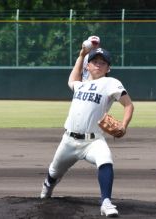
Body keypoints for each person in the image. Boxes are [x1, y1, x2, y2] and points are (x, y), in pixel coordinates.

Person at [40, 44, 134, 217]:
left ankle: (106, 202)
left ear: (108, 68)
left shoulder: (111, 83)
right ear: (88, 66)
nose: (98, 65)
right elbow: (71, 79)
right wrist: (82, 55)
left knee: (106, 160)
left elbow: (128, 105)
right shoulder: (80, 85)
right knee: (54, 172)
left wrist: (124, 125)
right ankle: (47, 187)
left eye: (103, 63)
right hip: (69, 140)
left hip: (93, 141)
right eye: (95, 62)